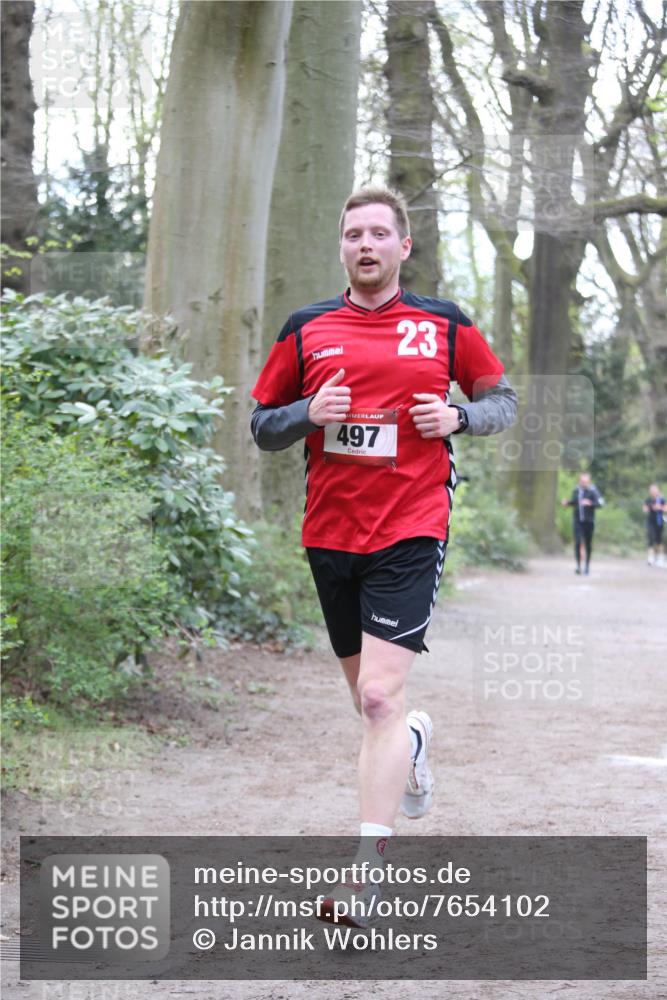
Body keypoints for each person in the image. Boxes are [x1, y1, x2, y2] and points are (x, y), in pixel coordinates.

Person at [250, 185, 517, 926]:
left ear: (403, 245)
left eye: (377, 233)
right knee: (373, 707)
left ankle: (363, 882)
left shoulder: (443, 324)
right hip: (330, 534)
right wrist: (308, 412)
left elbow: (502, 401)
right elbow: (262, 426)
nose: (365, 244)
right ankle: (415, 742)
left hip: (411, 526)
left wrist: (458, 415)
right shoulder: (306, 328)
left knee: (377, 697)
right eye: (352, 234)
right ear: (341, 247)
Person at [561, 472, 604, 575]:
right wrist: (567, 503)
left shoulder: (593, 491)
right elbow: (575, 502)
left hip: (589, 521)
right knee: (578, 542)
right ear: (579, 481)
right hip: (577, 521)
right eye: (582, 481)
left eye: (585, 482)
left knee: (588, 543)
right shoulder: (576, 490)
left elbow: (601, 503)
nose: (583, 483)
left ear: (588, 481)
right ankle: (578, 566)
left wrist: (590, 503)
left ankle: (587, 566)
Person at [643, 484, 665, 567]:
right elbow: (644, 509)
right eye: (652, 490)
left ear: (658, 491)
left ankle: (660, 558)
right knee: (651, 539)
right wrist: (650, 508)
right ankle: (650, 558)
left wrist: (660, 508)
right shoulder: (648, 500)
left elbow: (666, 508)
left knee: (659, 540)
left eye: (655, 490)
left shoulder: (662, 500)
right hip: (650, 522)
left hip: (659, 522)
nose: (654, 492)